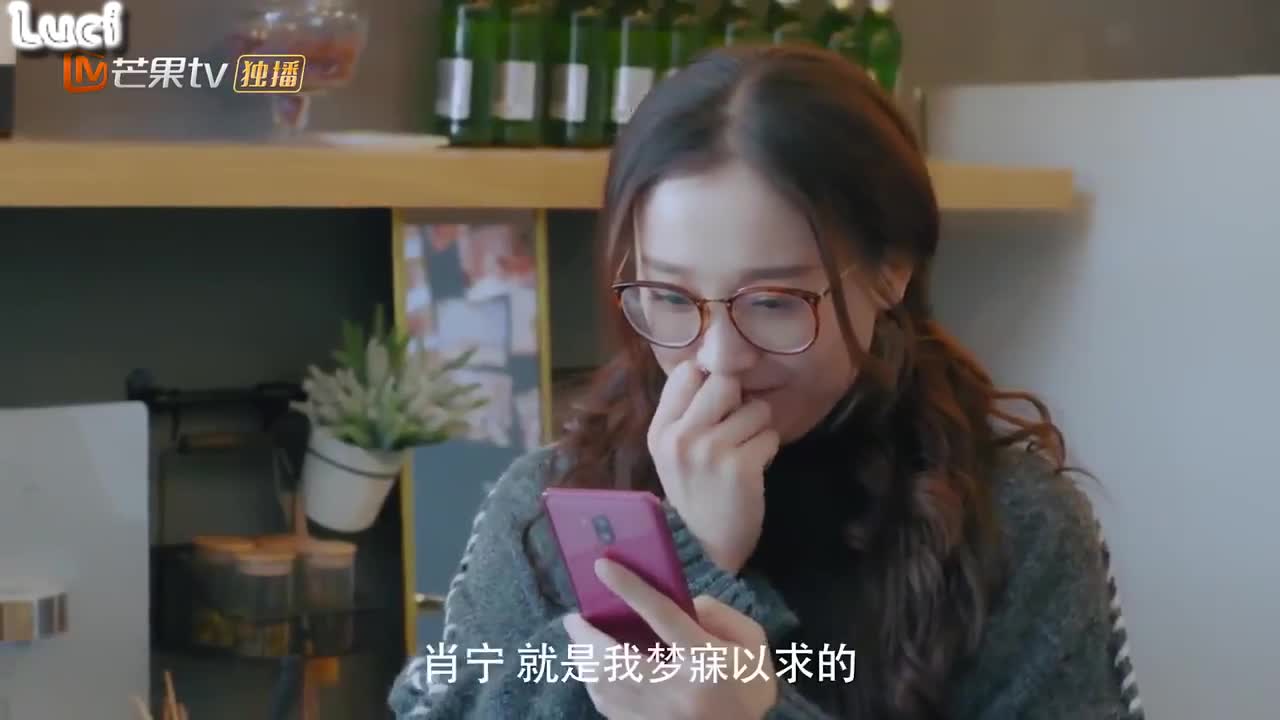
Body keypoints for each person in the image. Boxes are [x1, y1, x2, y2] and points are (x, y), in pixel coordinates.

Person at [389, 44, 1145, 719]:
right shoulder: (547, 503)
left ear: (890, 271)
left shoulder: (1016, 523)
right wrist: (683, 562)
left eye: (776, 303)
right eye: (671, 298)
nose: (719, 358)